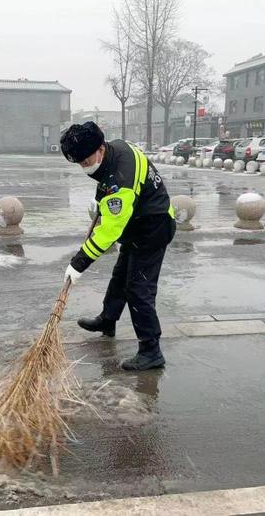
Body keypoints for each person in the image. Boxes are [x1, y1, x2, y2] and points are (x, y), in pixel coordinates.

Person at [60, 121, 176, 371]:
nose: (84, 167)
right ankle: (107, 320)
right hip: (137, 221)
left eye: (86, 161)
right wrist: (100, 198)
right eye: (79, 164)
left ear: (100, 149)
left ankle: (151, 351)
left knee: (138, 288)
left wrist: (78, 263)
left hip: (154, 226)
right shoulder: (117, 148)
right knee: (120, 275)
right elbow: (107, 182)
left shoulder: (120, 183)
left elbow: (108, 232)